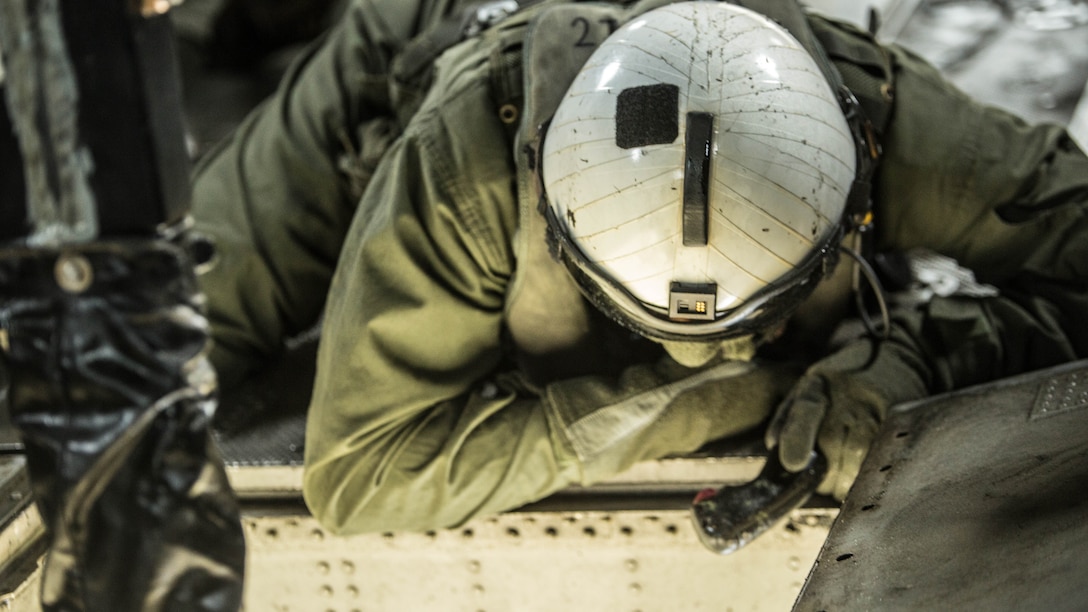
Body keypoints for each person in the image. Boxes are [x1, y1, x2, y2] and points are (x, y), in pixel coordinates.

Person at [191, 0, 1088, 535]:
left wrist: (910, 364)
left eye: (753, 318)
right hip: (409, 53)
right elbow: (359, 477)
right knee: (164, 352)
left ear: (855, 186)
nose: (697, 353)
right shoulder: (463, 162)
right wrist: (700, 403)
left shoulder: (880, 117)